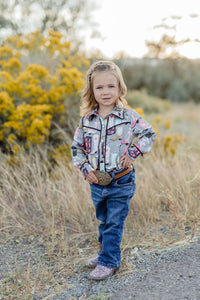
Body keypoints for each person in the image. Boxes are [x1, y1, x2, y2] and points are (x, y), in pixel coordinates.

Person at [71, 60, 156, 280]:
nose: (105, 92)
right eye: (99, 87)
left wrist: (134, 152)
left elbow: (149, 134)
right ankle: (103, 254)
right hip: (97, 183)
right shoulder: (86, 121)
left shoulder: (129, 116)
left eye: (111, 86)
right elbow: (76, 148)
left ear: (119, 88)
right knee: (104, 221)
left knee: (114, 222)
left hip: (121, 181)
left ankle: (109, 262)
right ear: (92, 90)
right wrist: (85, 168)